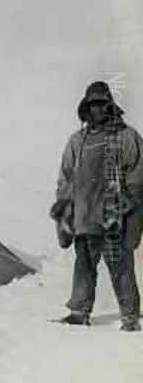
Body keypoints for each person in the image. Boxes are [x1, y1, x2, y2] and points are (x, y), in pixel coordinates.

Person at [51, 81, 143, 331]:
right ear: (85, 108)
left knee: (121, 267)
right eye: (92, 105)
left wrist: (134, 219)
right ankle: (79, 311)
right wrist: (64, 214)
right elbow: (66, 179)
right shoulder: (77, 142)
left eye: (102, 104)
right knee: (84, 265)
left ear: (111, 106)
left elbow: (137, 180)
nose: (97, 110)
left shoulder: (127, 137)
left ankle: (130, 315)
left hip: (115, 217)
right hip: (84, 217)